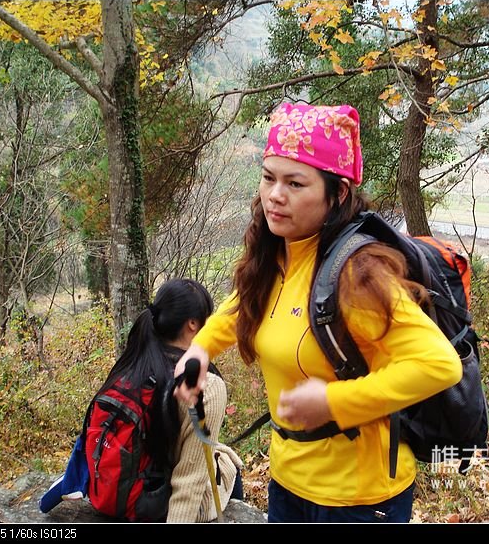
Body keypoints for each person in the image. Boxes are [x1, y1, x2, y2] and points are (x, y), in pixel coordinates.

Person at [174, 102, 462, 523]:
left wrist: (332, 402)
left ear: (338, 193)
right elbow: (244, 304)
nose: (275, 195)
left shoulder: (359, 275)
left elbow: (439, 365)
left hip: (358, 498)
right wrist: (200, 349)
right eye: (269, 177)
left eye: (295, 183)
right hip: (289, 481)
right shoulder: (277, 253)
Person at [98, 278, 243, 522]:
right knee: (231, 468)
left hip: (124, 493)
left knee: (221, 454)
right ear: (193, 324)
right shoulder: (206, 385)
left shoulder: (131, 366)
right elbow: (189, 480)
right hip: (162, 503)